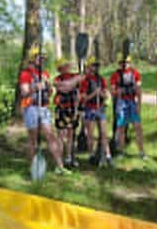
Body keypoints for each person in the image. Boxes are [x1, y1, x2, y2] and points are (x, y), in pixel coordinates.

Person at [18, 46, 71, 175]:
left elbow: (50, 92)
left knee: (50, 136)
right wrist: (36, 87)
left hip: (43, 107)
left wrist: (48, 87)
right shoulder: (25, 74)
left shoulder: (45, 74)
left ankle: (60, 166)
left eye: (43, 58)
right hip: (31, 107)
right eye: (40, 58)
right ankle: (33, 167)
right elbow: (24, 92)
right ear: (33, 58)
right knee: (33, 138)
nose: (42, 60)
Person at [109, 55, 146, 159]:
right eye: (122, 63)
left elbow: (138, 90)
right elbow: (112, 91)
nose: (125, 65)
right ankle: (121, 151)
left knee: (137, 127)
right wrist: (117, 92)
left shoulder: (135, 74)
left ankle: (141, 152)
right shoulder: (115, 75)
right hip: (121, 102)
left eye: (127, 63)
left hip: (132, 102)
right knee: (121, 127)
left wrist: (139, 105)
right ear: (119, 64)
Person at [80, 56, 112, 166]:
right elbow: (84, 98)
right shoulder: (85, 81)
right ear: (89, 67)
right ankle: (91, 155)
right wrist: (94, 93)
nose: (96, 67)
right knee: (91, 134)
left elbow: (106, 95)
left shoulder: (101, 80)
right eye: (94, 65)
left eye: (97, 65)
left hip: (100, 108)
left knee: (103, 133)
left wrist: (101, 94)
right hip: (90, 109)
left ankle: (108, 155)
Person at [53, 58, 83, 167]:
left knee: (71, 134)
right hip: (61, 109)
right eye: (64, 66)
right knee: (61, 134)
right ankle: (59, 159)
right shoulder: (57, 79)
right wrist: (71, 84)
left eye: (67, 65)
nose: (66, 67)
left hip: (73, 109)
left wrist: (70, 83)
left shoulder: (75, 75)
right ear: (60, 68)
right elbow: (64, 89)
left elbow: (81, 78)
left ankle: (69, 157)